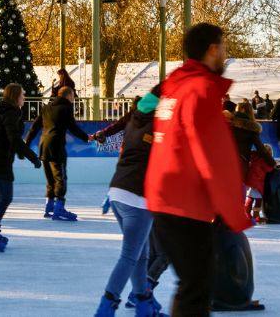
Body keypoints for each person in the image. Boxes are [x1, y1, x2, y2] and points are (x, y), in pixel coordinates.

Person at [145, 23, 251, 316]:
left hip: (166, 196)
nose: (225, 56)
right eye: (224, 49)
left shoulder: (175, 87)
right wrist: (231, 210)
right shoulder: (200, 89)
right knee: (197, 286)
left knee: (192, 284)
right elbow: (211, 154)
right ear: (212, 50)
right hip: (184, 202)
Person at [94, 86, 166, 317]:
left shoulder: (135, 118)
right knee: (129, 255)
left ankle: (143, 304)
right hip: (138, 198)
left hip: (117, 192)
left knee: (141, 255)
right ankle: (106, 306)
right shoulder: (161, 126)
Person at [0, 83, 40, 252]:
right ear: (15, 96)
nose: (24, 97)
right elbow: (14, 138)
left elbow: (7, 137)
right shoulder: (10, 113)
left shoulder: (0, 110)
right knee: (5, 197)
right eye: (22, 94)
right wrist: (32, 157)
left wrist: (19, 152)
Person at [26, 86, 91, 221]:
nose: (74, 98)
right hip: (56, 147)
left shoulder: (46, 108)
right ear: (68, 96)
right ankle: (59, 208)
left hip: (43, 146)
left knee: (50, 179)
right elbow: (72, 127)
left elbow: (34, 128)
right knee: (60, 178)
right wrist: (86, 137)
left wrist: (26, 143)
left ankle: (49, 206)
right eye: (73, 95)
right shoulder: (66, 108)